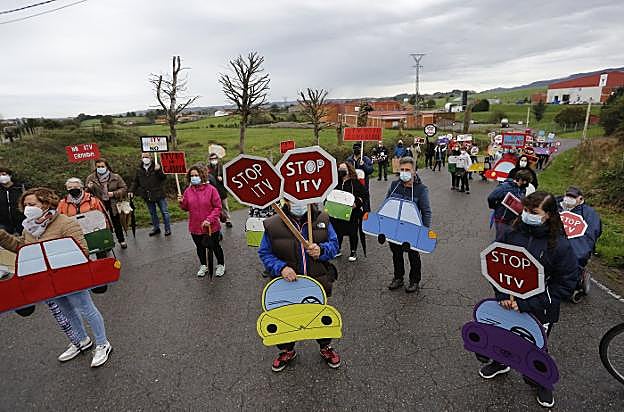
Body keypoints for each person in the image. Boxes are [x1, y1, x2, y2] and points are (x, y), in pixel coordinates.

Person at [479, 191, 578, 408]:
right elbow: (496, 265)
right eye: (525, 210)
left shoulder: (560, 246)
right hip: (507, 304)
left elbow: (565, 283)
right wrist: (502, 295)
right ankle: (500, 362)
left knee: (536, 347)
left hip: (540, 310)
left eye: (533, 212)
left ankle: (541, 381)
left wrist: (526, 304)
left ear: (549, 215)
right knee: (503, 336)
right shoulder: (510, 233)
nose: (527, 215)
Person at [0, 187, 113, 367]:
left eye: (31, 204)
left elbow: (82, 251)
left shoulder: (65, 223)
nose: (27, 208)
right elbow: (23, 248)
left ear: (45, 203)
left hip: (70, 276)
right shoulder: (29, 228)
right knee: (66, 310)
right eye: (25, 205)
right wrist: (2, 237)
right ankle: (82, 340)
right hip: (47, 279)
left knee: (86, 308)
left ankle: (102, 343)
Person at [258, 200, 340, 372]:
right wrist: (281, 267)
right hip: (287, 286)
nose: (298, 202)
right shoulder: (273, 225)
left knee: (319, 317)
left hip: (317, 282)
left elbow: (334, 245)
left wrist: (322, 250)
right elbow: (265, 253)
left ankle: (325, 347)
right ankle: (287, 350)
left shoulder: (322, 219)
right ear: (285, 200)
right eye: (292, 198)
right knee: (286, 318)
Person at [386, 157, 431, 293]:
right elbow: (387, 204)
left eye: (407, 170)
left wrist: (424, 231)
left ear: (414, 171)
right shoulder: (394, 186)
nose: (404, 172)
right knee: (396, 254)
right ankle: (398, 277)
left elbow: (426, 211)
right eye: (402, 170)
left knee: (413, 255)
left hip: (412, 230)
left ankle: (414, 281)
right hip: (395, 228)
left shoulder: (421, 189)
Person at [178, 166, 225, 277]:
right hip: (195, 226)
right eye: (192, 176)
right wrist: (181, 202)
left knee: (215, 246)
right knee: (200, 247)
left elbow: (218, 207)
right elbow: (186, 208)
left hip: (211, 226)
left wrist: (209, 219)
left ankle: (221, 264)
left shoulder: (211, 190)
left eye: (196, 175)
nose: (194, 177)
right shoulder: (188, 191)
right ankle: (204, 265)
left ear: (202, 176)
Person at [558, 186, 602, 294]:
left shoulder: (589, 214)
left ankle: (567, 287)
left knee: (574, 258)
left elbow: (591, 234)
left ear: (581, 199)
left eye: (573, 197)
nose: (569, 198)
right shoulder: (556, 204)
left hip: (574, 245)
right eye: (567, 195)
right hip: (554, 241)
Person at [85, 159, 128, 249]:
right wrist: (89, 188)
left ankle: (121, 240)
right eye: (98, 167)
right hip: (99, 203)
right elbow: (86, 193)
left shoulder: (115, 177)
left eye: (102, 166)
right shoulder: (91, 178)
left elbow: (124, 188)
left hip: (113, 203)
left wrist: (114, 193)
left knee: (116, 222)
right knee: (102, 224)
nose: (100, 168)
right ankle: (106, 243)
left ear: (107, 167)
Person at [330, 162, 368, 262]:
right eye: (339, 169)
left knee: (352, 233)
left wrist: (357, 203)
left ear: (348, 171)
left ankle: (353, 250)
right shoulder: (335, 182)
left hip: (352, 213)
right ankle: (337, 249)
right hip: (337, 213)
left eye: (343, 169)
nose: (340, 171)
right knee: (338, 232)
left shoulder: (354, 182)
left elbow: (364, 195)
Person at [129, 153, 171, 237]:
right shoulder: (139, 169)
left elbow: (163, 178)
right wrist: (131, 191)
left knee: (164, 212)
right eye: (143, 157)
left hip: (159, 194)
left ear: (151, 158)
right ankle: (156, 228)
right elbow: (136, 182)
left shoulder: (157, 166)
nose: (145, 158)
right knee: (152, 213)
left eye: (147, 157)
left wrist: (158, 170)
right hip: (147, 195)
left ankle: (167, 229)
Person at [487, 170, 533, 238]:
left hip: (513, 220)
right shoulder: (505, 187)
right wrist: (495, 207)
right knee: (501, 239)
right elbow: (491, 197)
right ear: (520, 180)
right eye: (526, 182)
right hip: (502, 219)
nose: (527, 184)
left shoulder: (523, 189)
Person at [207, 152, 232, 228]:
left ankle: (228, 220)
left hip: (222, 190)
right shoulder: (208, 168)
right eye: (212, 159)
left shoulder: (222, 167)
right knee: (215, 208)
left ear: (217, 159)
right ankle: (216, 222)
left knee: (225, 206)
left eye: (215, 158)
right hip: (212, 192)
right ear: (209, 160)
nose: (213, 160)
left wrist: (222, 179)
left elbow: (228, 179)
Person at [0, 167, 25, 235]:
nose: (1, 177)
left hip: (22, 223)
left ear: (9, 175)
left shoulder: (20, 188)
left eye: (3, 174)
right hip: (4, 225)